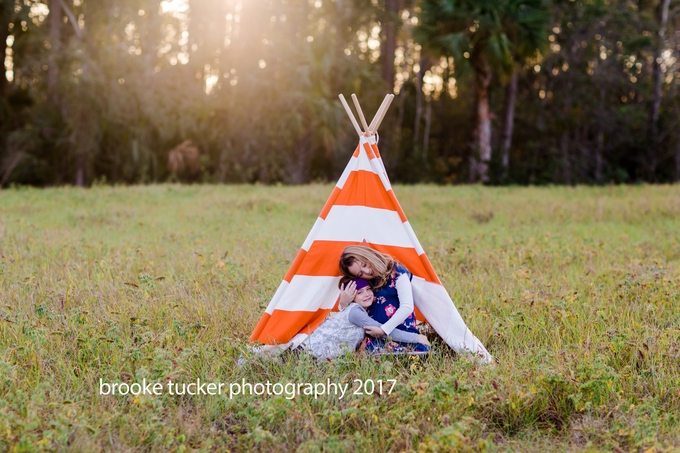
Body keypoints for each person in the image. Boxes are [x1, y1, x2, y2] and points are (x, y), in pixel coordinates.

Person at [301, 277, 429, 360]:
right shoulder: (356, 311)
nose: (367, 294)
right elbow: (383, 331)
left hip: (324, 356)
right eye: (359, 292)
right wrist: (417, 338)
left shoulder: (361, 310)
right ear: (352, 297)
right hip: (309, 352)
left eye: (368, 289)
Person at [339, 245, 427, 353]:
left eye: (365, 264)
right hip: (377, 336)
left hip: (402, 331)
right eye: (360, 274)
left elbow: (407, 307)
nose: (367, 271)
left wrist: (384, 330)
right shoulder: (367, 283)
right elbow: (354, 311)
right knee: (373, 351)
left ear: (369, 255)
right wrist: (343, 303)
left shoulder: (398, 273)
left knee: (418, 352)